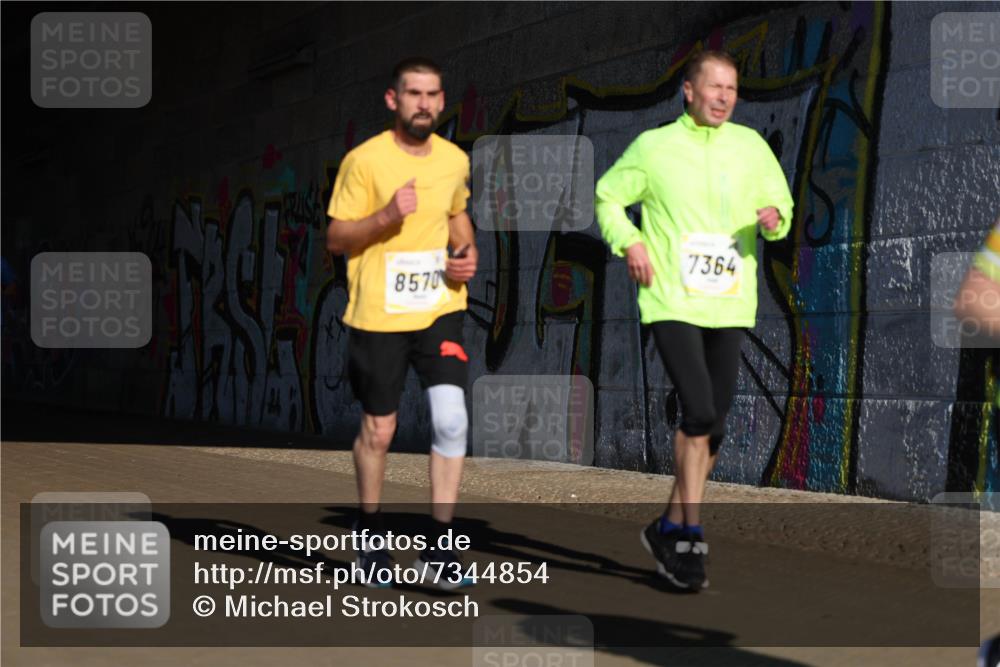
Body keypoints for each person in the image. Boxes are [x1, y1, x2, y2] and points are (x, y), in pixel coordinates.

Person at [595, 50, 794, 590]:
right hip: (671, 300)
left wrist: (775, 220)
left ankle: (668, 525)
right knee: (699, 409)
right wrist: (630, 241)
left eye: (732, 88)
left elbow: (782, 205)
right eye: (715, 87)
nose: (725, 97)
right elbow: (609, 198)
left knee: (715, 423)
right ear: (689, 90)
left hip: (729, 300)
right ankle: (690, 534)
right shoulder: (655, 148)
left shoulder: (750, 148)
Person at [325, 57, 477, 589]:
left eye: (433, 95)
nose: (425, 104)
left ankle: (441, 545)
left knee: (452, 420)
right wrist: (387, 216)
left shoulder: (455, 160)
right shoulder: (363, 162)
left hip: (440, 309)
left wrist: (467, 252)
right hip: (379, 314)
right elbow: (337, 238)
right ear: (394, 100)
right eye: (414, 94)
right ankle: (369, 532)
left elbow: (458, 216)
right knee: (381, 430)